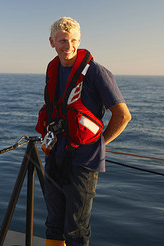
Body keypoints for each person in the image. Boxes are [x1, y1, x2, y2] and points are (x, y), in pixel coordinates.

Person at [36, 17, 131, 246]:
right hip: (54, 156)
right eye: (63, 41)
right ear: (52, 42)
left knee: (76, 229)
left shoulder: (96, 72)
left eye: (74, 41)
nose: (69, 47)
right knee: (53, 224)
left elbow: (123, 115)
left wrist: (98, 143)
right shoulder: (52, 70)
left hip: (83, 162)